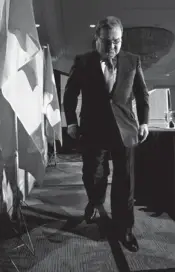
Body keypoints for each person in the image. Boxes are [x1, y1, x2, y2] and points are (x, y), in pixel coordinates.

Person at [63, 16, 149, 252]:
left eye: (117, 41)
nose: (112, 46)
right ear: (97, 39)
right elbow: (69, 96)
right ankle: (95, 199)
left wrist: (144, 123)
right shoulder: (82, 61)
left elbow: (142, 95)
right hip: (93, 128)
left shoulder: (132, 60)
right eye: (108, 41)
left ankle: (125, 227)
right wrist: (71, 122)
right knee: (94, 174)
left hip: (125, 129)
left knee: (125, 181)